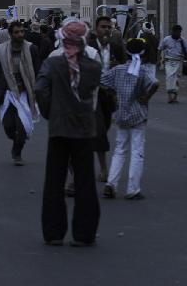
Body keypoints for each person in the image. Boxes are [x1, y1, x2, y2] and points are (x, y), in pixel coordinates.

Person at [35, 19, 102, 247]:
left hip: (59, 128)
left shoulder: (52, 62)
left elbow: (40, 90)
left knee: (55, 181)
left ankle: (54, 233)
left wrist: (50, 113)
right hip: (84, 128)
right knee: (85, 181)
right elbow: (95, 93)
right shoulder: (93, 64)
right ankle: (84, 234)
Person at [102, 38, 159, 200]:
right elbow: (155, 84)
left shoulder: (118, 69)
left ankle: (111, 184)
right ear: (143, 54)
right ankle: (133, 189)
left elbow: (103, 81)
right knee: (137, 151)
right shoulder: (142, 71)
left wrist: (113, 95)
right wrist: (146, 97)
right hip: (138, 114)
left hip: (121, 114)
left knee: (120, 150)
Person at [0, 21, 40, 165]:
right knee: (8, 126)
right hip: (8, 93)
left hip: (25, 93)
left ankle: (17, 151)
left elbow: (38, 71)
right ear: (10, 34)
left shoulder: (32, 49)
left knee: (23, 126)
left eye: (22, 32)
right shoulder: (1, 50)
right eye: (16, 32)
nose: (20, 35)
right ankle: (16, 141)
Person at [87, 15, 126, 182]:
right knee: (100, 130)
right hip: (92, 93)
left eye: (109, 27)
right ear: (96, 29)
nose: (106, 30)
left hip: (109, 95)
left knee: (104, 127)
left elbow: (125, 68)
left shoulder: (116, 47)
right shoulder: (88, 47)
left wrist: (119, 68)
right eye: (103, 27)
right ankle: (104, 168)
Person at [159, 24, 187, 103]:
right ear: (172, 32)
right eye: (177, 32)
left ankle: (175, 97)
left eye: (180, 32)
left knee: (177, 79)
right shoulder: (166, 39)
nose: (179, 34)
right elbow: (160, 49)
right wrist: (159, 59)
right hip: (169, 61)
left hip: (179, 61)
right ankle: (169, 97)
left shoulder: (182, 40)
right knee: (169, 78)